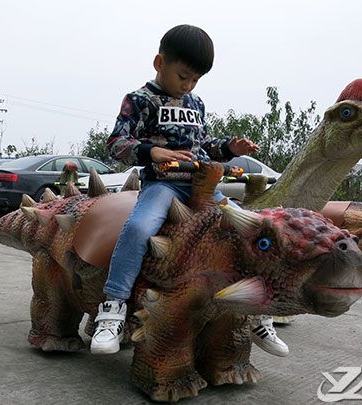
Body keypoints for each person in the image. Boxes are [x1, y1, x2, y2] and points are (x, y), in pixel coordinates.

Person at [91, 24, 288, 357]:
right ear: (159, 62)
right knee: (138, 228)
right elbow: (116, 143)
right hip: (163, 186)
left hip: (203, 186)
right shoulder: (139, 100)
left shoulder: (196, 102)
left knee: (251, 228)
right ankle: (112, 308)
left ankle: (257, 310)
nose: (188, 85)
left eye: (196, 79)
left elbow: (204, 146)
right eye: (183, 76)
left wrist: (228, 147)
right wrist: (150, 152)